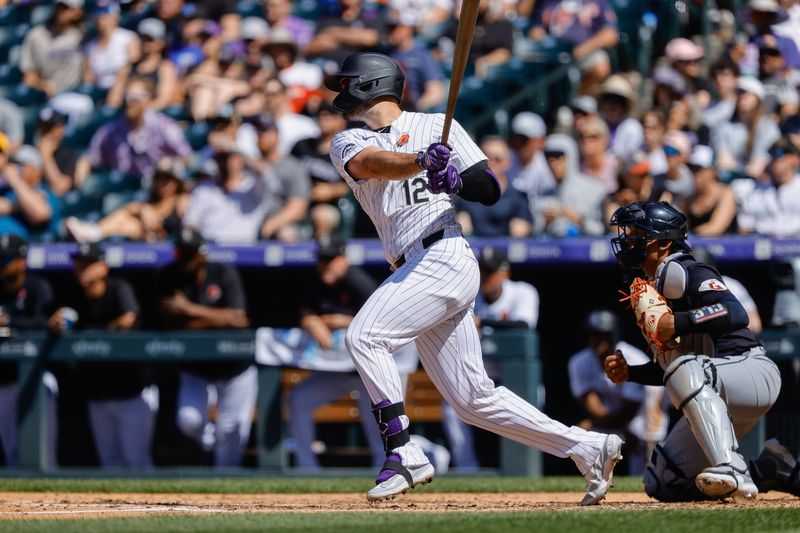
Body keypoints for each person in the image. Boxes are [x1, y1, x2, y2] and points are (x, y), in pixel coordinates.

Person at [326, 52, 622, 504]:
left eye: (346, 84)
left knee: (365, 337)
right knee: (472, 399)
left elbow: (489, 189)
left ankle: (403, 451)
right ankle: (587, 447)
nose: (339, 93)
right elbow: (373, 164)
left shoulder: (435, 124)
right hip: (413, 265)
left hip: (443, 252)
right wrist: (423, 161)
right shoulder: (348, 140)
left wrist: (455, 181)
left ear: (368, 84)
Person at [605, 201, 783, 501]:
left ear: (662, 243)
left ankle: (732, 468)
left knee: (684, 368)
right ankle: (769, 469)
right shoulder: (650, 284)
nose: (627, 241)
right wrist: (631, 373)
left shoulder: (684, 269)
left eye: (637, 234)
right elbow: (674, 370)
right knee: (661, 482)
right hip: (715, 390)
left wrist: (679, 322)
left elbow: (736, 313)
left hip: (751, 371)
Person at [157, 227, 255, 467]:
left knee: (231, 434)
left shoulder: (222, 272)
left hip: (235, 368)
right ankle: (212, 442)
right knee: (188, 420)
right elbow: (172, 324)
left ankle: (229, 496)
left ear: (201, 254)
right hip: (196, 369)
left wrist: (190, 311)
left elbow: (240, 320)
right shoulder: (169, 275)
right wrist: (218, 319)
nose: (186, 260)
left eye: (191, 254)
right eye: (182, 254)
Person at [52, 242, 156, 468]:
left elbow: (128, 320)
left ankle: (152, 505)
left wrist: (91, 333)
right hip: (97, 393)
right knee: (109, 463)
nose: (81, 268)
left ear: (103, 267)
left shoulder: (119, 288)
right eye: (79, 264)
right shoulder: (74, 295)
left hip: (132, 391)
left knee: (136, 462)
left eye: (88, 264)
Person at [289, 234, 386, 469]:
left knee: (381, 423)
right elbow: (306, 312)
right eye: (322, 259)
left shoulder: (359, 283)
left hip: (370, 373)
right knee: (299, 399)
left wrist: (341, 321)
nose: (326, 264)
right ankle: (307, 469)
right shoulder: (316, 281)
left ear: (344, 259)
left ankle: (388, 468)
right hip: (338, 370)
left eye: (331, 259)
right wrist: (312, 321)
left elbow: (380, 325)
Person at [569, 310, 667, 475]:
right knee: (580, 432)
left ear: (612, 335)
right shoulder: (579, 362)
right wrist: (614, 429)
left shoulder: (634, 359)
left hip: (643, 421)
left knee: (647, 478)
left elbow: (628, 411)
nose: (595, 340)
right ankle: (595, 478)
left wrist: (622, 429)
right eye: (591, 335)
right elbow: (594, 409)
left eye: (601, 335)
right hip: (613, 420)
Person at [0, 234, 55, 468]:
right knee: (12, 449)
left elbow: (47, 322)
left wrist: (10, 322)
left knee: (45, 450)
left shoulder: (38, 287)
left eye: (6, 260)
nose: (2, 265)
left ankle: (55, 501)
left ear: (21, 261)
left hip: (36, 375)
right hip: (3, 380)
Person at [87, 76, 192, 182]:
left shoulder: (163, 126)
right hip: (124, 182)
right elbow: (94, 157)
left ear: (147, 100)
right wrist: (85, 163)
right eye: (126, 97)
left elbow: (187, 157)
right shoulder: (113, 129)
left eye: (134, 99)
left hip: (154, 185)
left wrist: (171, 164)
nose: (129, 103)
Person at [65, 157, 189, 243]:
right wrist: (143, 209)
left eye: (167, 180)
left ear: (177, 182)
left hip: (170, 243)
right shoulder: (152, 202)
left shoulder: (181, 200)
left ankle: (94, 233)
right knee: (127, 220)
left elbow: (185, 228)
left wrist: (146, 213)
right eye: (159, 179)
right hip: (147, 240)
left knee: (129, 222)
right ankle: (94, 233)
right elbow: (130, 209)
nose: (162, 184)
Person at [528, 0, 619, 94]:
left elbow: (611, 34)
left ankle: (576, 100)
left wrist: (584, 48)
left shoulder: (597, 2)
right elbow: (536, 28)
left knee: (600, 67)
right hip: (552, 53)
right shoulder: (549, 2)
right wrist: (537, 37)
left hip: (583, 50)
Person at [291, 103, 352, 238]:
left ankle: (322, 256)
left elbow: (362, 185)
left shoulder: (347, 151)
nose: (324, 117)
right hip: (296, 200)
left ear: (342, 120)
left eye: (330, 114)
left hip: (331, 205)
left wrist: (333, 190)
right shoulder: (301, 146)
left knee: (322, 216)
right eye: (320, 114)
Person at [455, 136, 532, 237]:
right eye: (486, 158)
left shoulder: (518, 197)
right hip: (472, 249)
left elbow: (524, 229)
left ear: (507, 163)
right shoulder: (464, 194)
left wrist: (522, 229)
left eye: (497, 159)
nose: (491, 163)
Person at [533, 134, 606, 236]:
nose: (552, 163)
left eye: (558, 157)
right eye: (548, 157)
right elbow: (532, 235)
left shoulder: (595, 190)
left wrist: (579, 220)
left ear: (570, 157)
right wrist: (545, 222)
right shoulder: (541, 195)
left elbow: (602, 231)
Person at [733, 137, 800, 237]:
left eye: (780, 156)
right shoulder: (754, 189)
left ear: (795, 159)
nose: (775, 161)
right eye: (772, 156)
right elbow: (744, 227)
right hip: (760, 243)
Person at [20, 0, 85, 97]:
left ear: (78, 12)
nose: (62, 11)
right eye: (60, 7)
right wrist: (43, 85)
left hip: (76, 94)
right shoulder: (37, 35)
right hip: (47, 96)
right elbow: (28, 77)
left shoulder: (83, 36)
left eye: (67, 8)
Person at [385, 12, 445, 112]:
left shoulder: (422, 55)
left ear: (408, 28)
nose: (390, 32)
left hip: (411, 109)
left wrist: (412, 113)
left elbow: (435, 91)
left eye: (394, 27)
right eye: (389, 28)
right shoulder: (382, 53)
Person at [0, 144, 61, 240]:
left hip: (26, 250)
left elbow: (40, 214)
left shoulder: (46, 193)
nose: (14, 168)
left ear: (37, 171)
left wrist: (15, 180)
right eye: (12, 163)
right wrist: (18, 207)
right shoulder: (8, 191)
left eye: (20, 164)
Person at [83, 1, 140, 98]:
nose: (101, 18)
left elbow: (134, 68)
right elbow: (88, 76)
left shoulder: (129, 38)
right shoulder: (90, 46)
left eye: (105, 14)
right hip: (98, 91)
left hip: (124, 90)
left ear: (116, 17)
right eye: (99, 14)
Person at [682, 145, 738, 236]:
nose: (694, 173)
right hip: (696, 248)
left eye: (698, 169)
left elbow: (715, 228)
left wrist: (688, 235)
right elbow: (683, 228)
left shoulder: (726, 194)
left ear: (712, 171)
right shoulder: (688, 198)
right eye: (691, 168)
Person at [507, 112, 554, 202]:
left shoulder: (548, 167)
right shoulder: (502, 161)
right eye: (516, 138)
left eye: (525, 139)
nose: (519, 143)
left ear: (540, 141)